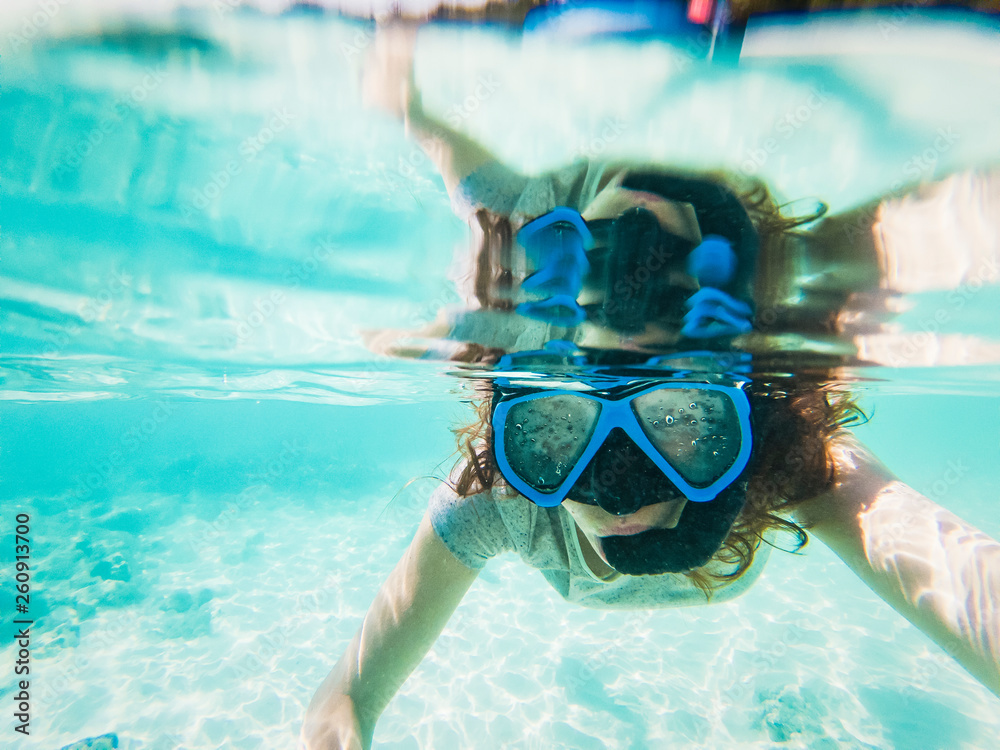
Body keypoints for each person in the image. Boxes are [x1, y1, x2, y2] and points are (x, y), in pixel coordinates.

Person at [300, 22, 1000, 750]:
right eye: (686, 423)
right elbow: (949, 570)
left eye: (562, 431)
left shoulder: (507, 493)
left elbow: (348, 692)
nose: (614, 364)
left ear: (530, 433)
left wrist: (405, 102)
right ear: (744, 431)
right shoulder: (782, 454)